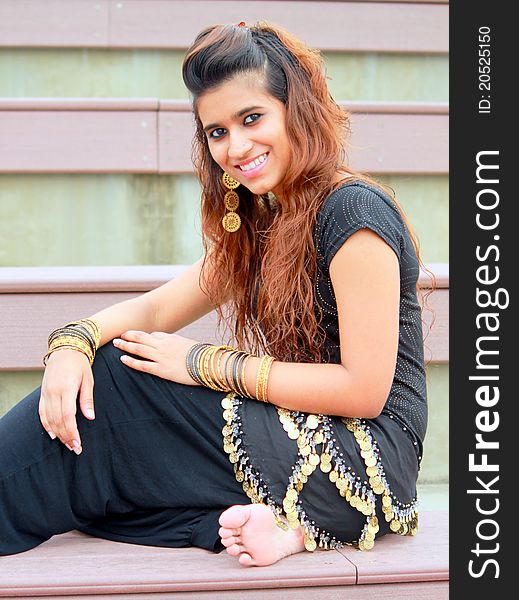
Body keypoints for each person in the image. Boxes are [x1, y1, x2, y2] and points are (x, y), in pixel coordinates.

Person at [0, 21, 428, 567]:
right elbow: (157, 307)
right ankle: (285, 527)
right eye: (217, 131)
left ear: (296, 109)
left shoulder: (353, 213)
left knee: (119, 381)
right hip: (307, 436)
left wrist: (204, 362)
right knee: (108, 379)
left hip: (369, 456)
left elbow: (365, 391)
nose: (236, 146)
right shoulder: (267, 220)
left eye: (252, 118)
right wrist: (71, 343)